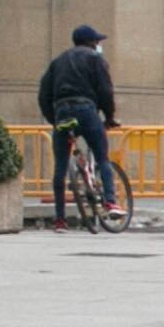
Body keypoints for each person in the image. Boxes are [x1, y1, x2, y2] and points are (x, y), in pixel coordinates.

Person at [41, 24, 119, 226]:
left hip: (61, 111)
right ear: (92, 42)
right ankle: (110, 202)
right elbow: (105, 90)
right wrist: (109, 117)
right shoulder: (95, 59)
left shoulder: (57, 62)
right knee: (102, 157)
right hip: (85, 109)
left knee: (60, 165)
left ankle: (60, 219)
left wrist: (54, 119)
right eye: (98, 42)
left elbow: (43, 95)